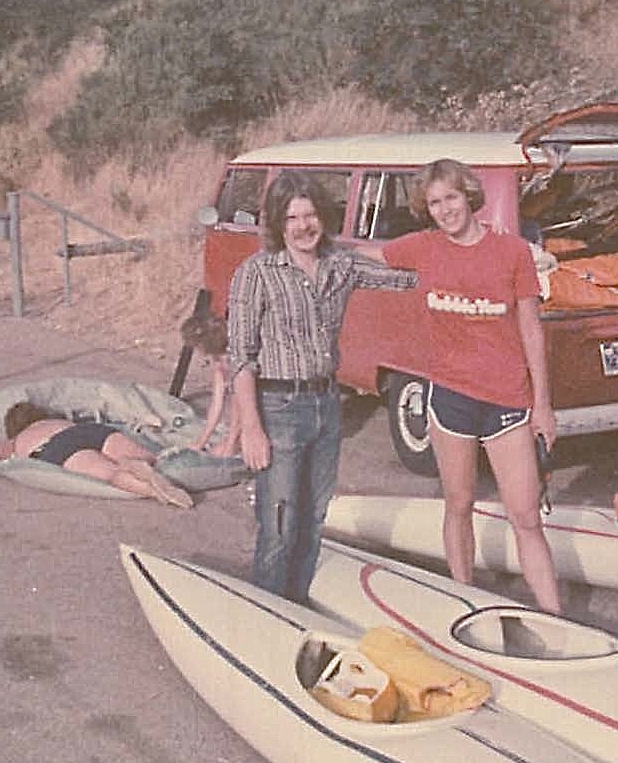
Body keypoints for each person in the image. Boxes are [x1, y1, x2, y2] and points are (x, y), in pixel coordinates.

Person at [360, 158, 561, 613]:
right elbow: (364, 253)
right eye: (434, 203)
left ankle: (555, 616)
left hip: (507, 400)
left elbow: (532, 331)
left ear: (468, 196)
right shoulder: (423, 247)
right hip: (450, 397)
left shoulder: (511, 252)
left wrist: (543, 407)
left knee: (527, 516)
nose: (445, 209)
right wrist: (308, 241)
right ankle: (465, 600)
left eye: (451, 197)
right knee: (458, 502)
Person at [227, 171, 417, 602]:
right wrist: (251, 429)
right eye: (292, 218)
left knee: (313, 518)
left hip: (326, 405)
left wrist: (462, 257)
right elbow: (241, 356)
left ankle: (298, 603)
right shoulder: (255, 273)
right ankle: (268, 610)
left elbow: (405, 279)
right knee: (279, 523)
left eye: (310, 215)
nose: (303, 226)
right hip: (278, 407)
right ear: (277, 223)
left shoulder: (340, 264)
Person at [0, 401, 194, 508]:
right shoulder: (57, 421)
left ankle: (152, 490)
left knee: (112, 474)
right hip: (90, 430)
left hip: (55, 446)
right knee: (150, 457)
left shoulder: (18, 438)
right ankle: (142, 465)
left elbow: (2, 458)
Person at [180, 311, 240, 456]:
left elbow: (240, 406)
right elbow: (216, 404)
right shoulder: (218, 361)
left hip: (261, 416)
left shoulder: (235, 361)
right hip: (241, 418)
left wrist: (231, 442)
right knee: (215, 452)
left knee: (226, 452)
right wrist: (201, 442)